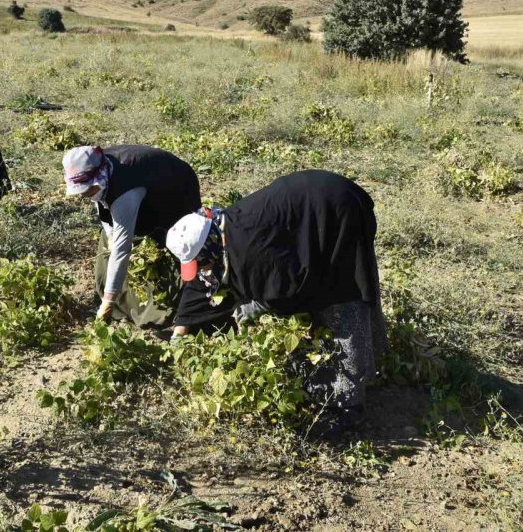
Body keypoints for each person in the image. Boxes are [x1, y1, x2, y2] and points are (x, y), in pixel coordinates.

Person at [165, 170, 386, 432]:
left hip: (338, 210)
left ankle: (348, 404)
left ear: (209, 248)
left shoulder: (250, 252)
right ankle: (371, 359)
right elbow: (200, 282)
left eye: (201, 262)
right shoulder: (218, 228)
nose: (203, 268)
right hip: (314, 202)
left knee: (342, 294)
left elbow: (291, 286)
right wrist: (180, 331)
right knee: (326, 292)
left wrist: (257, 306)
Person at [62, 144, 200, 329]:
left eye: (87, 190)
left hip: (176, 187)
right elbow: (102, 202)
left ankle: (182, 310)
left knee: (175, 243)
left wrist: (108, 301)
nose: (85, 195)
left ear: (99, 179)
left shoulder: (125, 193)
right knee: (109, 244)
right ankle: (122, 306)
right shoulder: (101, 169)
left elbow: (122, 249)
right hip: (144, 185)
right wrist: (110, 234)